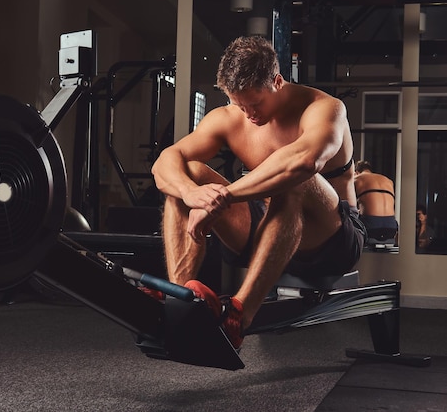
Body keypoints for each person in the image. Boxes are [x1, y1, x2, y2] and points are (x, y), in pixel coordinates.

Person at [151, 36, 366, 350]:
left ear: (277, 82)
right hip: (268, 233)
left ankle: (239, 317)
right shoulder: (229, 117)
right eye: (239, 104)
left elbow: (304, 162)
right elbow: (165, 162)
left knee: (295, 178)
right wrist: (190, 194)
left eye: (256, 103)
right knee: (191, 171)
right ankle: (179, 300)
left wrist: (221, 198)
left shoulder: (324, 109)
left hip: (332, 241)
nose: (249, 113)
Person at [353, 160, 398, 245]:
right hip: (391, 228)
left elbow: (349, 205)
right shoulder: (388, 180)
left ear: (356, 172)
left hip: (370, 227)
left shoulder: (356, 179)